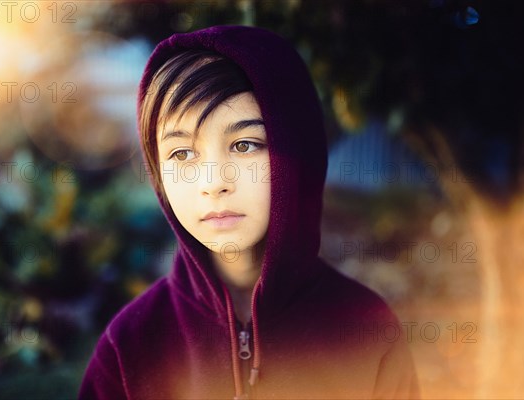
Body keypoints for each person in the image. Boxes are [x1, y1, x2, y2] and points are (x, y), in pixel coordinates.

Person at [79, 25, 418, 399]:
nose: (213, 182)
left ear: (296, 152)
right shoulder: (129, 347)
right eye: (182, 153)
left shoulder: (367, 331)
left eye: (244, 145)